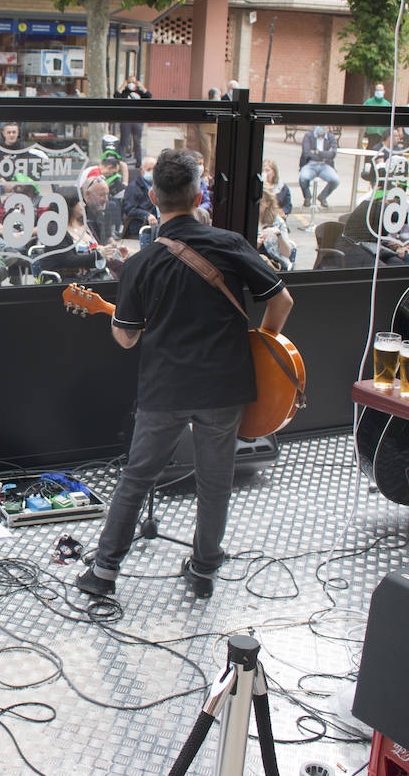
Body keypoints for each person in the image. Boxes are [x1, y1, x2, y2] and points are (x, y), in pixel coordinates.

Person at [76, 148, 293, 601]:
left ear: (153, 198)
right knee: (215, 483)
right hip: (224, 388)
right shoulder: (231, 244)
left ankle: (104, 573)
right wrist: (264, 343)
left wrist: (119, 324)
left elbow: (129, 339)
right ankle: (203, 571)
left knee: (137, 479)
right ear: (198, 195)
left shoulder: (140, 263)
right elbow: (282, 300)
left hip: (166, 391)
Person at [298, 126, 339, 209]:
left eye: (326, 126)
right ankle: (307, 197)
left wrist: (316, 152)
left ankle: (322, 197)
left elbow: (333, 154)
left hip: (325, 165)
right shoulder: (308, 136)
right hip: (310, 164)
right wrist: (324, 154)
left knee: (335, 180)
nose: (323, 127)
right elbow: (306, 153)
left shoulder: (331, 137)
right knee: (303, 177)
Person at [114, 76, 151, 161]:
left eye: (133, 82)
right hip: (126, 120)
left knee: (137, 142)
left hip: (137, 120)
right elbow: (116, 95)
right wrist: (123, 85)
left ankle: (138, 162)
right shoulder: (124, 92)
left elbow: (149, 95)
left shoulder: (139, 92)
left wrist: (141, 86)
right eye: (130, 81)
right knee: (124, 141)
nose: (131, 83)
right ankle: (121, 161)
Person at [258, 190, 295, 270]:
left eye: (260, 202)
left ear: (267, 203)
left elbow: (287, 253)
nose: (257, 205)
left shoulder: (277, 222)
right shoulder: (247, 220)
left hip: (276, 265)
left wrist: (278, 235)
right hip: (257, 264)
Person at [121, 156, 156, 239]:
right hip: (141, 225)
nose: (152, 172)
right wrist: (146, 215)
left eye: (154, 169)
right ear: (141, 170)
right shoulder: (133, 187)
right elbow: (129, 209)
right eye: (149, 169)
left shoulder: (159, 186)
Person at [362, 82, 392, 147]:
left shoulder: (387, 104)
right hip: (370, 133)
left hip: (383, 134)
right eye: (377, 90)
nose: (379, 92)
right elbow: (362, 115)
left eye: (381, 90)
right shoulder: (368, 103)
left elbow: (390, 119)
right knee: (369, 153)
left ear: (384, 91)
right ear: (375, 91)